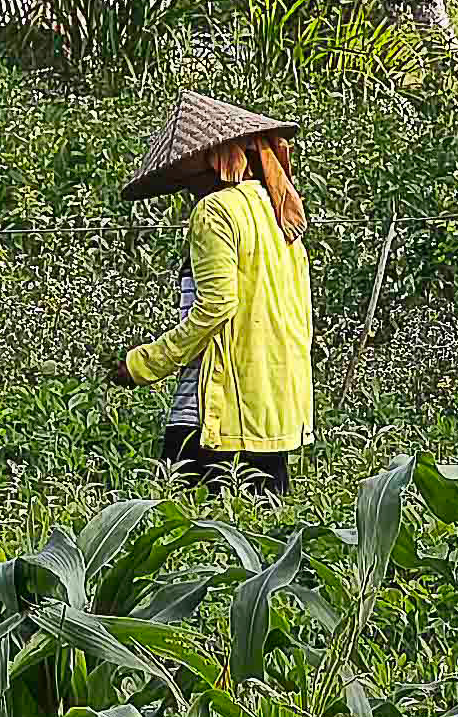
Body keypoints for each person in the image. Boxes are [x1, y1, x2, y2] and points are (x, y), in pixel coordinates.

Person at [106, 91, 313, 493]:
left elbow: (217, 306)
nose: (186, 188)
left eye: (189, 174)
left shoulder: (216, 211)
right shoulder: (279, 208)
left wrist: (142, 365)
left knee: (182, 523)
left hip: (220, 406)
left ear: (219, 162)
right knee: (262, 537)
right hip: (275, 403)